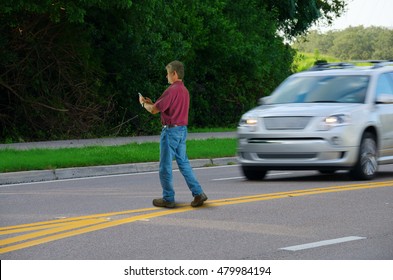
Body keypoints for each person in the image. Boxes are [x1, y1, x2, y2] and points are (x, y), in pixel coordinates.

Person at [138, 60, 207, 208]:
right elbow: (164, 106)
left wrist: (144, 103)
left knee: (165, 166)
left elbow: (154, 110)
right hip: (182, 130)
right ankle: (198, 193)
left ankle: (168, 198)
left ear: (174, 73)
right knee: (184, 163)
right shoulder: (184, 90)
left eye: (167, 73)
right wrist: (153, 103)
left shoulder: (172, 89)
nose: (166, 77)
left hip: (170, 131)